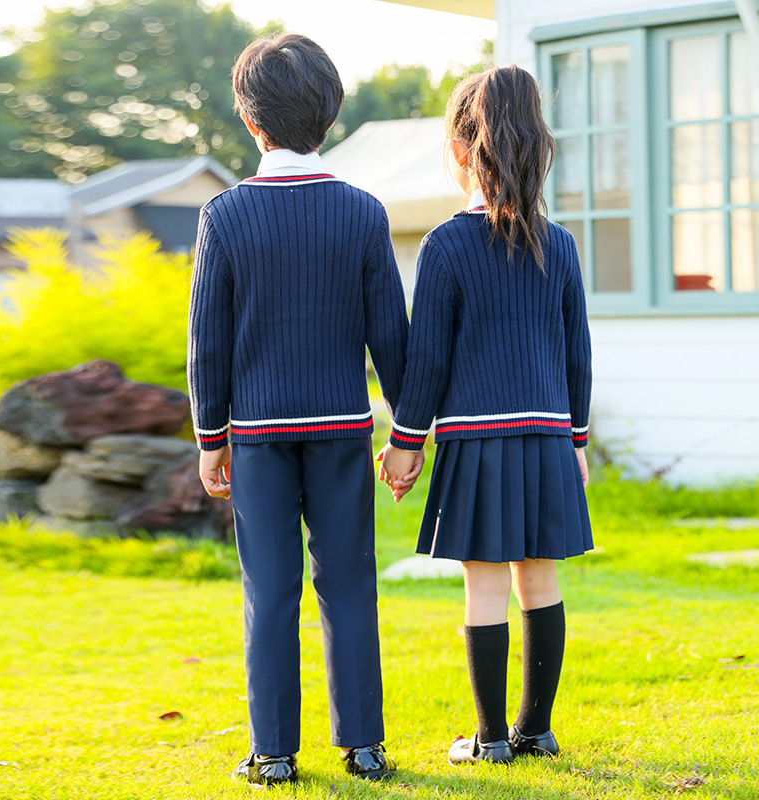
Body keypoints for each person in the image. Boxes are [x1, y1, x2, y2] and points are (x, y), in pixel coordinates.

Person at [188, 33, 413, 786]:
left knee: (270, 590)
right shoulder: (362, 212)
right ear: (330, 116)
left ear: (250, 121)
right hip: (343, 430)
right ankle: (365, 747)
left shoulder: (224, 215)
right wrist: (408, 432)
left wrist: (209, 436)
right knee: (349, 583)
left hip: (256, 436)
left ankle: (273, 753)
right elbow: (391, 335)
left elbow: (208, 338)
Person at [380, 65, 593, 765]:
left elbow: (427, 361)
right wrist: (577, 439)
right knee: (541, 579)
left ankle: (491, 740)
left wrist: (405, 441)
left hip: (476, 441)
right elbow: (577, 354)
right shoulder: (561, 244)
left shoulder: (446, 244)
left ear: (460, 150)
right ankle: (538, 732)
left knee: (485, 584)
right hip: (548, 435)